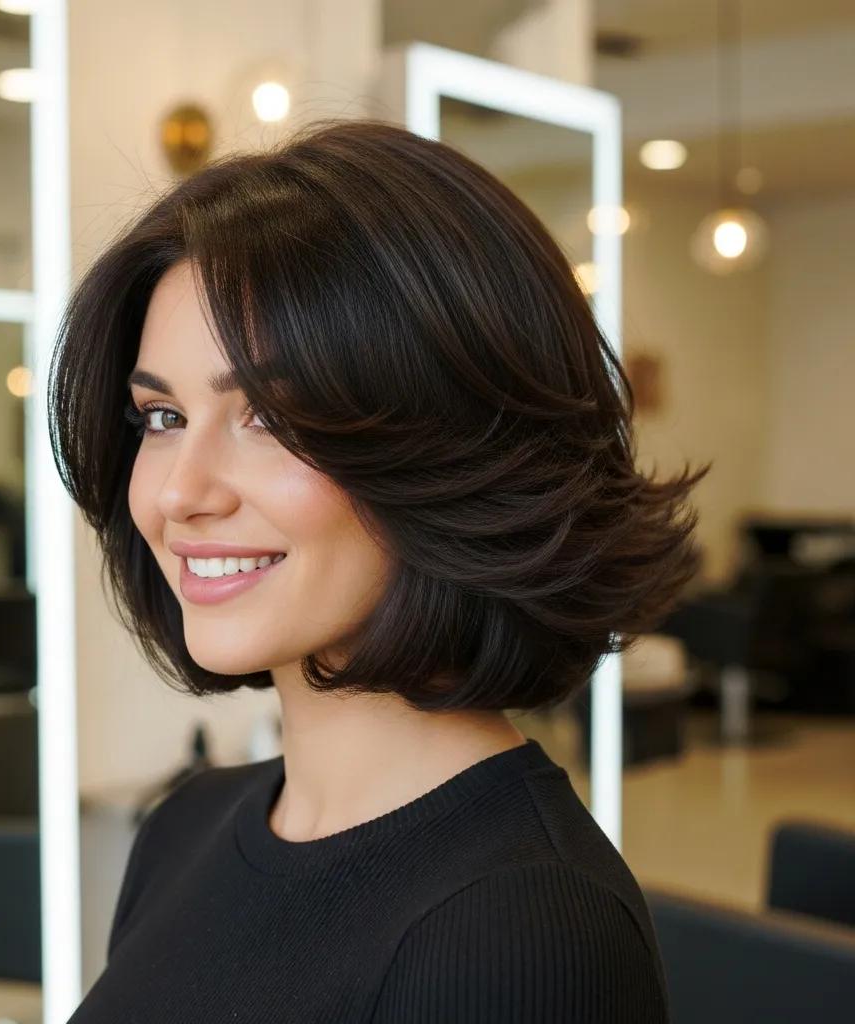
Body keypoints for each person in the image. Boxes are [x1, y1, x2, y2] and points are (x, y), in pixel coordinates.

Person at [50, 117, 708, 1023]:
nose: (179, 493)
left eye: (272, 417)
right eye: (163, 418)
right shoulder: (184, 827)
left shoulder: (518, 937)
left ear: (457, 449)